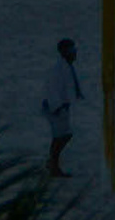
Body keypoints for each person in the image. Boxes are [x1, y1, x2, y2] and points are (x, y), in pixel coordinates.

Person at [40, 38, 84, 178]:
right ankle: (53, 165)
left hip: (61, 107)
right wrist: (57, 107)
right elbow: (52, 89)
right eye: (71, 50)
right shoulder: (58, 69)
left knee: (60, 136)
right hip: (57, 108)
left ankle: (52, 163)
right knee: (63, 135)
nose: (74, 53)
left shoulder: (65, 67)